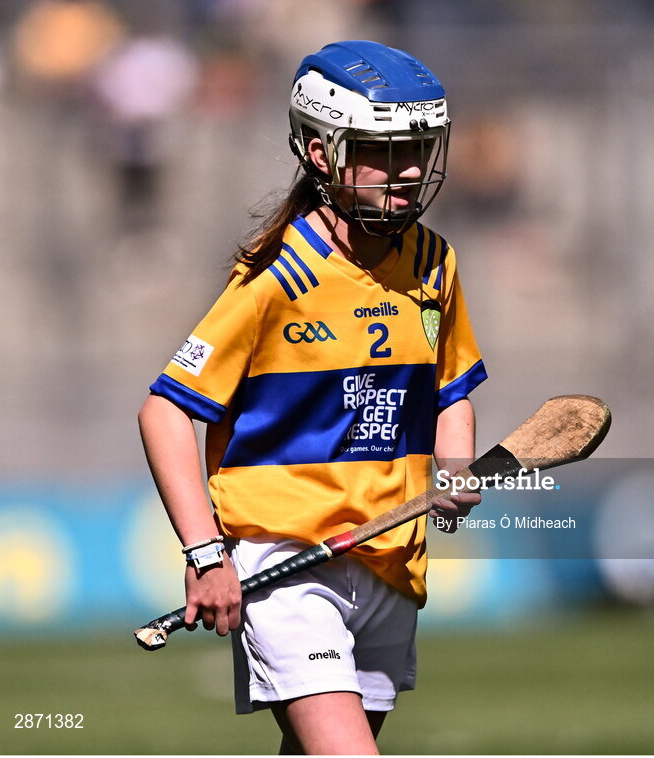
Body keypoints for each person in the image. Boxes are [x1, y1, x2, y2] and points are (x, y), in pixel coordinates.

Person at [138, 40, 487, 754]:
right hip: (284, 565)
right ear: (321, 153)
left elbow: (451, 388)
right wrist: (207, 554)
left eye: (418, 148)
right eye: (383, 152)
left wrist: (454, 466)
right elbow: (167, 410)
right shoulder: (277, 276)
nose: (411, 169)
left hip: (391, 559)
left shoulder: (433, 262)